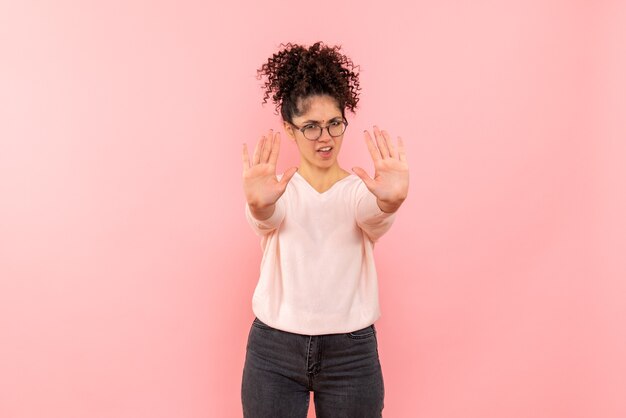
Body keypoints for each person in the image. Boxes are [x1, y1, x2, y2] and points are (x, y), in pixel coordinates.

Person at [240, 42, 409, 418]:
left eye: (334, 123)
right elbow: (266, 217)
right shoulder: (278, 190)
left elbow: (374, 215)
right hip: (274, 350)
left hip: (351, 353)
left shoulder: (357, 192)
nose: (325, 137)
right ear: (290, 129)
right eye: (311, 127)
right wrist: (258, 204)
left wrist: (391, 201)